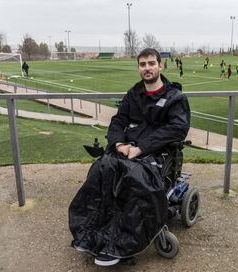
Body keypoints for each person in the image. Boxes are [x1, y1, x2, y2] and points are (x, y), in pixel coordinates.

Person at [69, 48, 190, 266]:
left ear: (160, 66)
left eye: (151, 63)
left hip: (156, 154)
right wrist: (119, 143)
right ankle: (91, 234)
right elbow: (118, 121)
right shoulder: (134, 94)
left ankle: (121, 244)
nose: (147, 68)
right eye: (142, 64)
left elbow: (178, 128)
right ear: (138, 68)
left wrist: (141, 148)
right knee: (101, 169)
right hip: (127, 150)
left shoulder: (175, 97)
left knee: (133, 180)